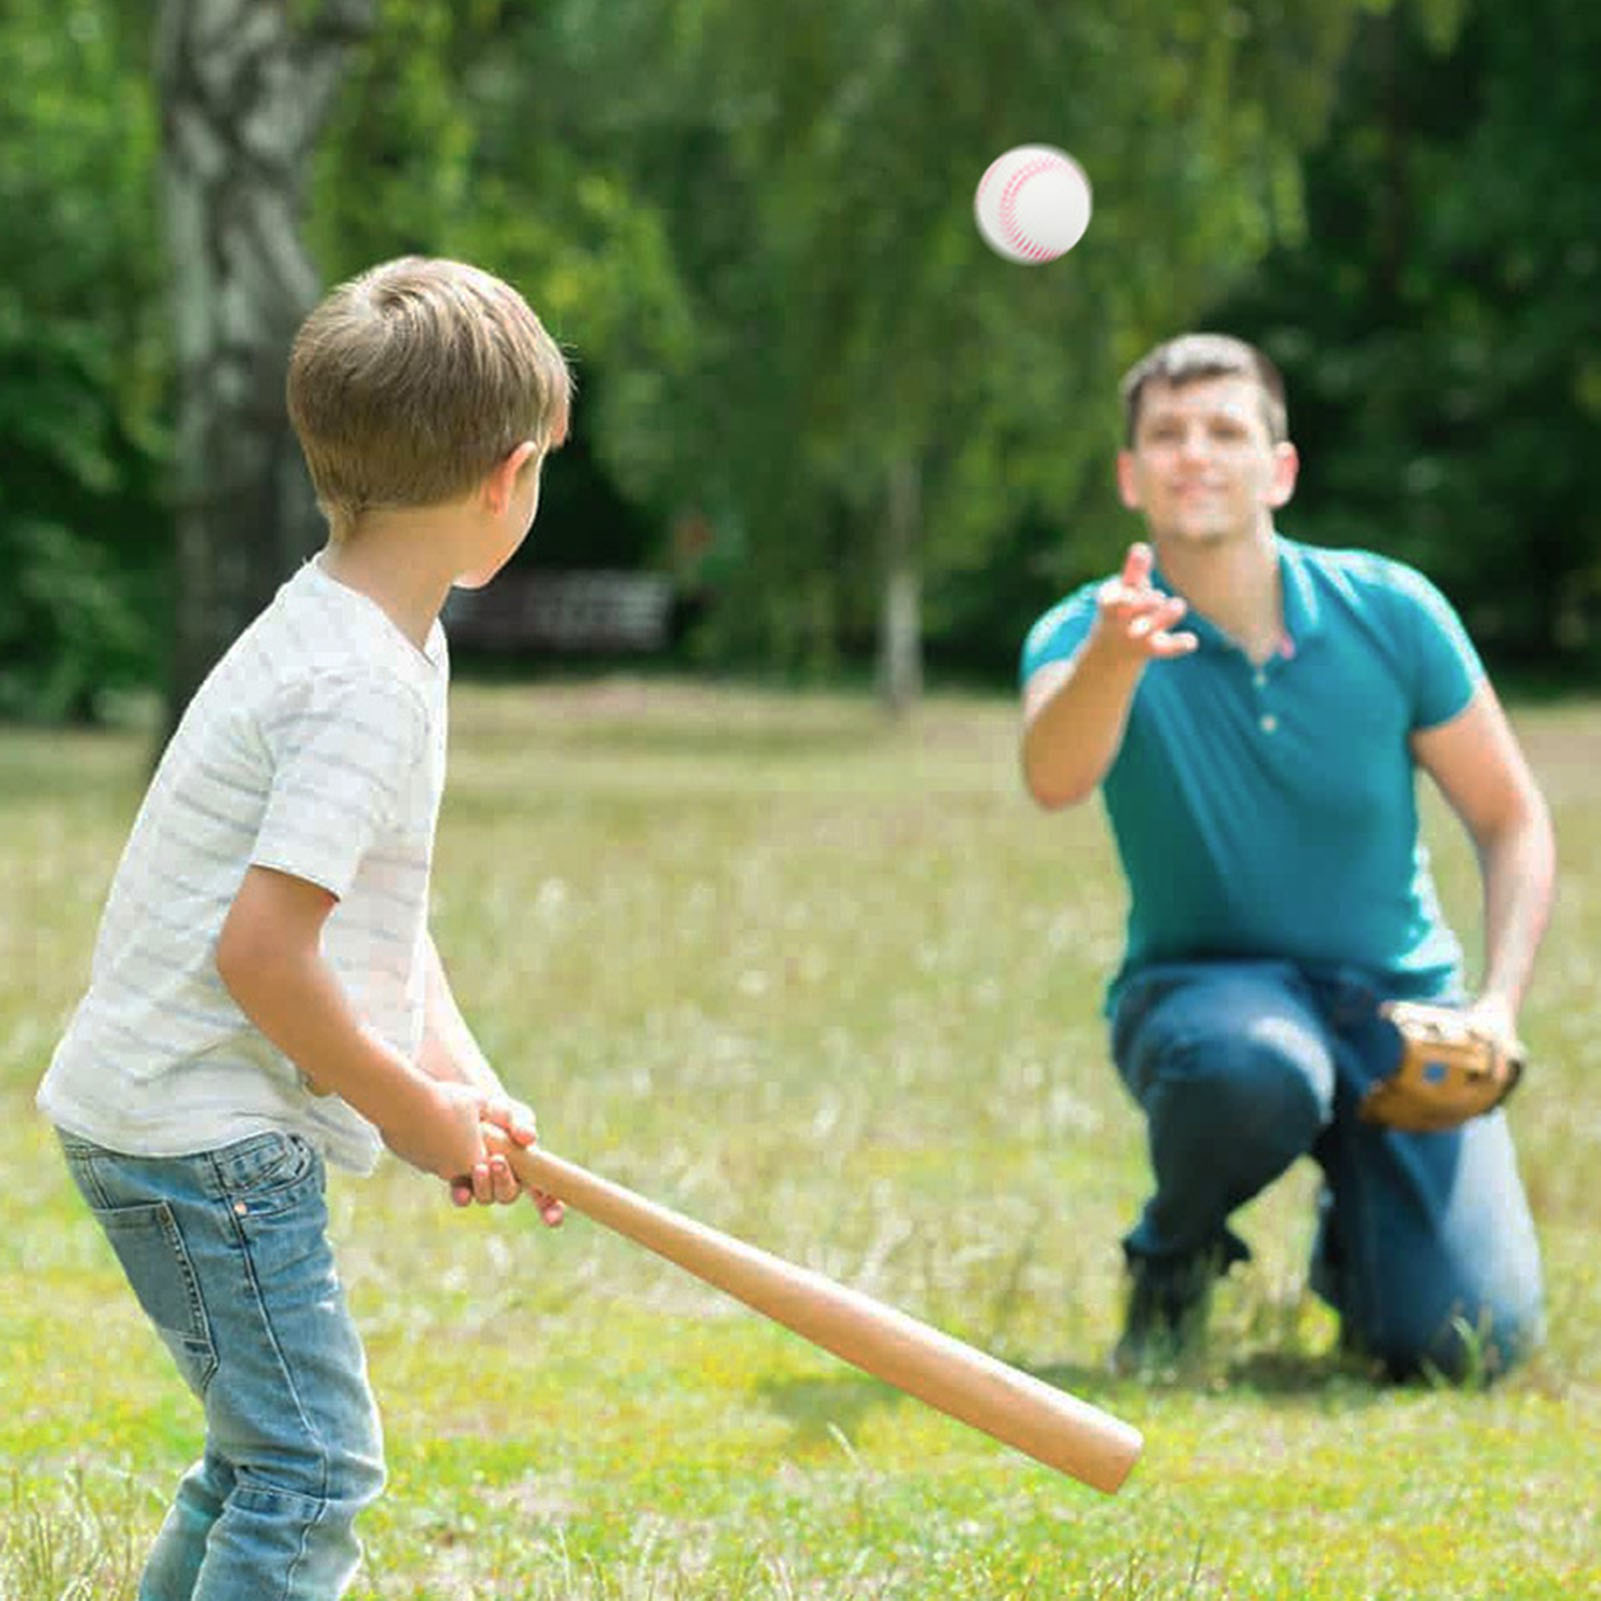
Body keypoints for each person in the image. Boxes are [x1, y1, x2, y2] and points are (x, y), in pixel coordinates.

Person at [37, 256, 572, 1598]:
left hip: (163, 1113)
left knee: (263, 1458)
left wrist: (462, 1081)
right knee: (311, 1466)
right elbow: (263, 955)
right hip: (200, 1133)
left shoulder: (371, 632)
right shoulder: (360, 685)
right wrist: (407, 1111)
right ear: (507, 477)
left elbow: (378, 915)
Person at [1019, 333, 1553, 1382]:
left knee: (1462, 1344)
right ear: (1129, 475)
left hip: (1399, 1013)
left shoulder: (1391, 612)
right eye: (1165, 434)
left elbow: (1509, 818)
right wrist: (1113, 663)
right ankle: (1172, 1259)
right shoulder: (1086, 631)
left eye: (1225, 430)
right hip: (1206, 1000)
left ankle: (1358, 1245)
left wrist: (1495, 1004)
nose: (1194, 453)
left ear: (1280, 469)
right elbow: (1051, 776)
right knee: (1253, 1068)